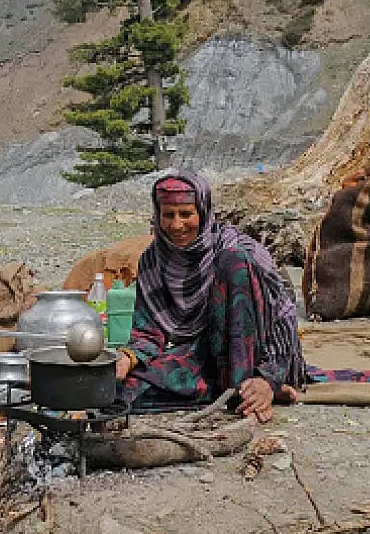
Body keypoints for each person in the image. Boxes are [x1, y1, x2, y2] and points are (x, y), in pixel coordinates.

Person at [115, 171, 305, 422]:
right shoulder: (153, 260)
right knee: (119, 394)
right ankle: (230, 392)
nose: (176, 225)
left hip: (257, 357)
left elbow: (281, 320)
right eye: (168, 215)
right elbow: (147, 331)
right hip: (204, 355)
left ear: (203, 212)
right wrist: (127, 359)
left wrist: (268, 377)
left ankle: (250, 390)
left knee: (233, 263)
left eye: (186, 214)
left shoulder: (239, 251)